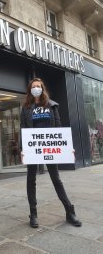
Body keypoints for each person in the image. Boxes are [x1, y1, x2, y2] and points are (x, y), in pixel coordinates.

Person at [20, 78, 82, 228]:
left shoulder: (51, 105)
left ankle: (69, 211)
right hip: (33, 148)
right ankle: (33, 214)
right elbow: (23, 128)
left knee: (56, 178)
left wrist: (66, 147)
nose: (36, 88)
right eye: (33, 86)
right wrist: (23, 149)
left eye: (38, 86)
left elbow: (59, 127)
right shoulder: (26, 107)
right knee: (31, 180)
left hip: (50, 146)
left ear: (42, 88)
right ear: (30, 89)